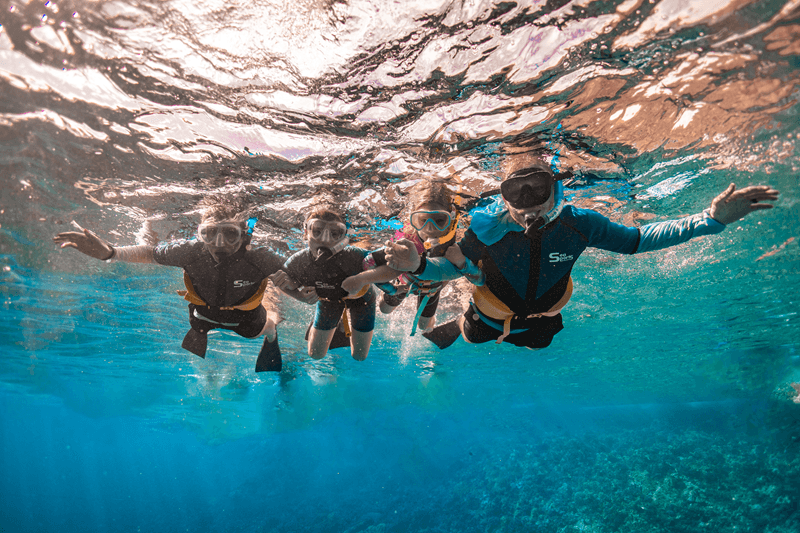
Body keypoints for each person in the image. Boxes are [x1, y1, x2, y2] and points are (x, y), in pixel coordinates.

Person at [384, 149, 781, 349]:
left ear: (556, 188)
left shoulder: (580, 224)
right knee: (474, 336)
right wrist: (418, 264)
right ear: (503, 198)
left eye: (537, 189)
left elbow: (637, 240)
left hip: (546, 313)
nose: (528, 203)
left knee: (537, 343)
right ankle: (459, 319)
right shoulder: (487, 230)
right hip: (491, 311)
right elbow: (451, 271)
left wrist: (709, 220)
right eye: (515, 194)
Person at [53, 196, 286, 372]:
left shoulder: (258, 257)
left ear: (244, 235)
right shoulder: (190, 251)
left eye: (230, 235)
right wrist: (110, 252)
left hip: (246, 316)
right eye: (209, 234)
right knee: (199, 326)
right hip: (202, 313)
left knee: (260, 330)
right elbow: (149, 253)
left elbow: (296, 270)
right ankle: (205, 340)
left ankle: (271, 333)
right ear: (200, 235)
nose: (219, 243)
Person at [341, 178, 483, 349]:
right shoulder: (408, 242)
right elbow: (373, 262)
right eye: (423, 221)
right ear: (412, 219)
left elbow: (478, 279)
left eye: (439, 220)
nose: (430, 229)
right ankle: (396, 295)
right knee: (384, 309)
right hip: (403, 284)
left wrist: (461, 262)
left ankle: (432, 337)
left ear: (451, 216)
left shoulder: (459, 243)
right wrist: (371, 282)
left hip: (431, 290)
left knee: (424, 326)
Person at [271, 206, 394, 361]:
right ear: (305, 233)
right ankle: (337, 324)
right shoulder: (299, 261)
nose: (325, 239)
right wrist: (299, 296)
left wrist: (362, 279)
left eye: (335, 233)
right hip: (329, 301)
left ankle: (340, 325)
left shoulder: (354, 255)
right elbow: (280, 283)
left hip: (362, 300)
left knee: (360, 356)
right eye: (317, 231)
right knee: (315, 354)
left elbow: (390, 268)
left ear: (343, 238)